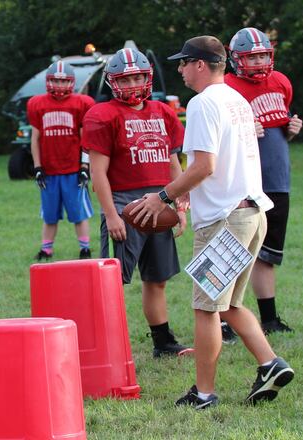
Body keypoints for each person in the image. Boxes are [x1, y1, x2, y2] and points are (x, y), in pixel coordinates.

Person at [133, 35, 294, 409]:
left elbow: (205, 166)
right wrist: (189, 191)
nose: (179, 69)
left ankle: (203, 393)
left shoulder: (203, 102)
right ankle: (271, 364)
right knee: (230, 305)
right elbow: (222, 163)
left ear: (200, 64)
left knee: (206, 308)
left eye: (184, 62)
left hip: (226, 220)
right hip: (252, 213)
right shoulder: (236, 99)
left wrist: (163, 197)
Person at [82, 48, 192, 358]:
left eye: (138, 77)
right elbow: (98, 173)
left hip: (159, 200)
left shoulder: (162, 111)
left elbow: (173, 163)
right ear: (113, 82)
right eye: (126, 78)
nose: (133, 84)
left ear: (148, 77)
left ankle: (163, 343)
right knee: (112, 282)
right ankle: (107, 345)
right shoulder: (102, 114)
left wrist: (179, 204)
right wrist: (111, 215)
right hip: (124, 203)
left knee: (157, 279)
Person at [224, 27, 302, 335]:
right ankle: (220, 318)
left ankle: (269, 318)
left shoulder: (280, 81)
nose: (258, 62)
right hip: (242, 183)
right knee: (230, 253)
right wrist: (242, 133)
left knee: (267, 253)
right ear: (235, 60)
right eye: (251, 57)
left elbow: (277, 131)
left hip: (277, 180)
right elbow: (217, 138)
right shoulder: (227, 87)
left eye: (262, 55)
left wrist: (291, 131)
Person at [27, 60, 96, 260]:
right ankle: (46, 249)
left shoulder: (81, 103)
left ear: (72, 83)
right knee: (49, 215)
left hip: (73, 169)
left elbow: (86, 139)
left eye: (64, 81)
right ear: (48, 82)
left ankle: (85, 247)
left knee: (79, 213)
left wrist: (84, 166)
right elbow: (35, 139)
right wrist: (38, 167)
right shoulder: (37, 104)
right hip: (49, 171)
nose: (59, 86)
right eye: (55, 82)